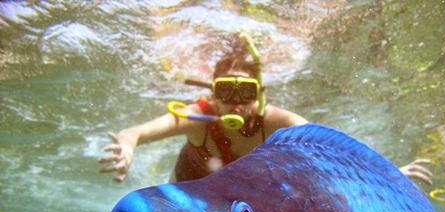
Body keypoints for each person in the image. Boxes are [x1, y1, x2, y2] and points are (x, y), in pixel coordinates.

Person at [98, 33, 307, 182]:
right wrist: (126, 147)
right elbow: (135, 133)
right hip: (189, 182)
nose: (236, 102)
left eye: (245, 92)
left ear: (258, 96)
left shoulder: (273, 121)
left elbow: (318, 137)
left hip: (240, 190)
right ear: (213, 96)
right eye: (225, 91)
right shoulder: (197, 118)